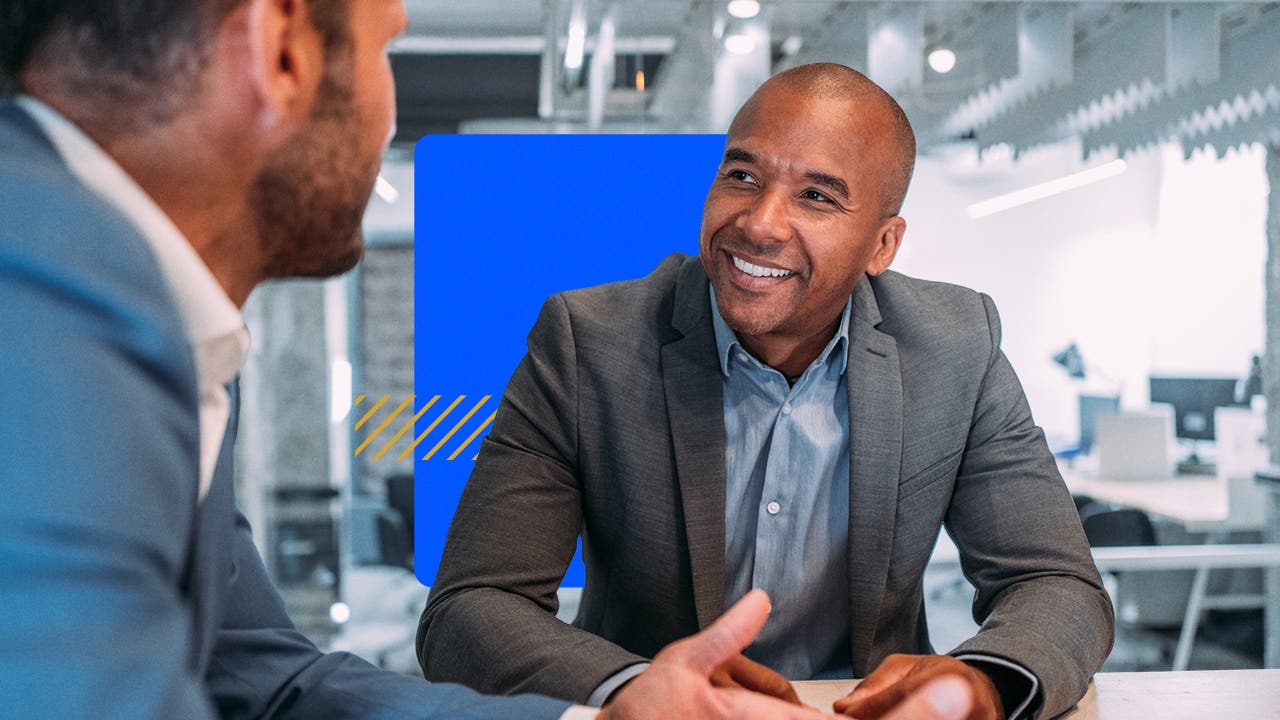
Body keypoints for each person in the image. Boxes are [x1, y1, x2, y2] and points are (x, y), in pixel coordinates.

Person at [0, 4, 975, 719]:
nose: (390, 116)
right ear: (282, 47)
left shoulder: (161, 332)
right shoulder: (47, 313)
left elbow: (269, 680)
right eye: (389, 47)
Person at [418, 63, 1114, 720]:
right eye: (743, 175)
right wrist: (635, 687)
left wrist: (985, 682)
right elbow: (471, 608)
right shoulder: (586, 343)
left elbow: (1057, 584)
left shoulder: (956, 345)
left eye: (817, 195)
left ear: (882, 245)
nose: (759, 222)